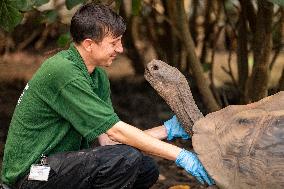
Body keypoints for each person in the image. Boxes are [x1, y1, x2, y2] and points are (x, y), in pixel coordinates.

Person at [1, 3, 214, 189]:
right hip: (31, 176)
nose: (120, 49)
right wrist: (181, 156)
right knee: (126, 160)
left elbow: (109, 140)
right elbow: (117, 132)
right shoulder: (64, 73)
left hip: (56, 167)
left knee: (145, 168)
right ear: (88, 44)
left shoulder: (97, 76)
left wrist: (166, 130)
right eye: (114, 43)